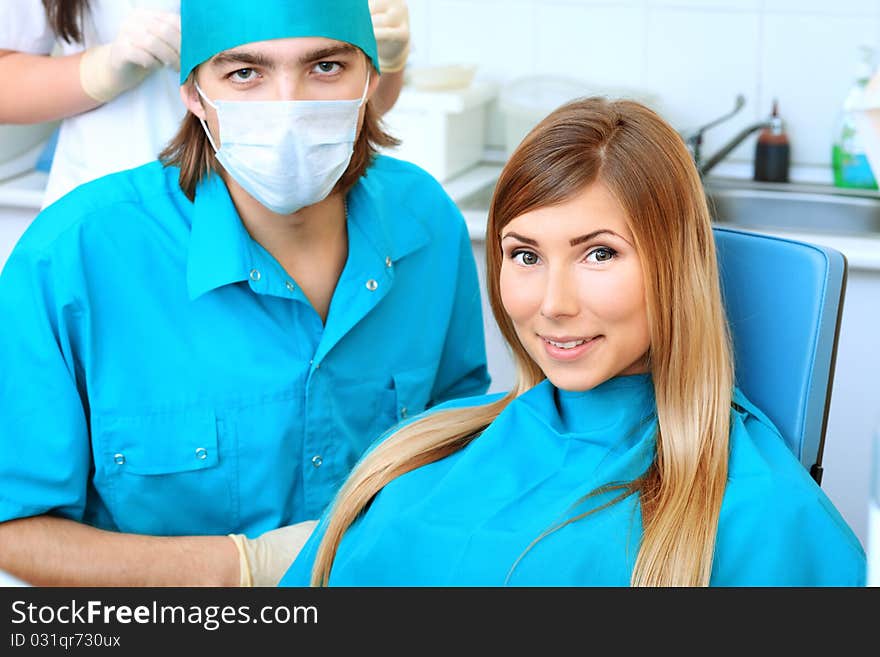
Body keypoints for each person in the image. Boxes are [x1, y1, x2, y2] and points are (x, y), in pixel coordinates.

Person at [280, 97, 867, 587]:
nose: (553, 303)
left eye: (599, 253)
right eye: (525, 255)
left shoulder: (759, 512)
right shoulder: (416, 452)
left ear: (675, 268)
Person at [0, 0, 489, 587]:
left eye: (326, 67)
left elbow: (454, 448)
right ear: (194, 96)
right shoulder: (73, 257)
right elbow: (14, 528)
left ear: (372, 79)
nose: (288, 106)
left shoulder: (425, 225)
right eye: (245, 74)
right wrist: (242, 569)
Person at [0, 0, 410, 208]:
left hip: (291, 213)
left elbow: (365, 105)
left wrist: (387, 61)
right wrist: (100, 70)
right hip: (116, 205)